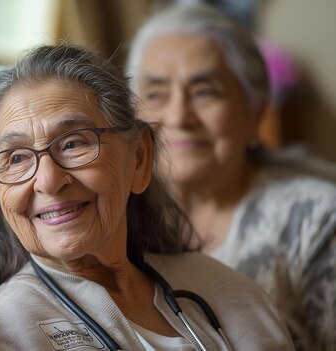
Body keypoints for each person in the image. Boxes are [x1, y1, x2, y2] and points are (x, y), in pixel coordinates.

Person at [0, 44, 293, 350]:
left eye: (74, 143)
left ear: (138, 159)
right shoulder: (3, 331)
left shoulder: (231, 292)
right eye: (16, 158)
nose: (47, 181)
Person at [126, 3, 336, 350]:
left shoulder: (317, 219)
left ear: (255, 112)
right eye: (156, 93)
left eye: (205, 91)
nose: (178, 116)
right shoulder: (116, 224)